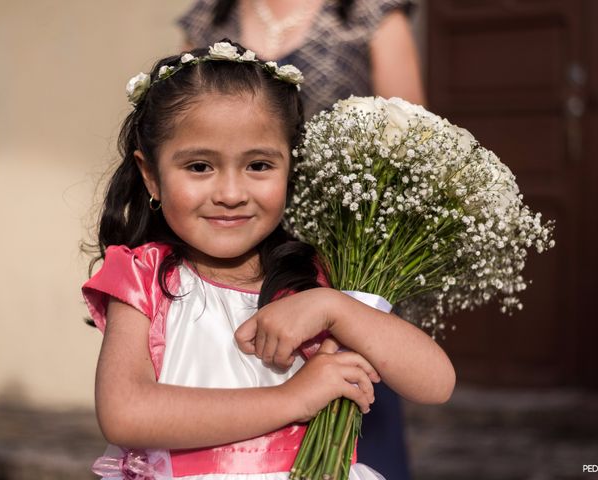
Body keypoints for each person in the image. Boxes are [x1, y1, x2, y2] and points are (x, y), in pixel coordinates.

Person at [82, 40, 454, 480]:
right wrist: (293, 399)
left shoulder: (312, 277)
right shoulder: (143, 276)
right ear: (152, 176)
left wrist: (334, 308)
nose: (231, 194)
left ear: (291, 170)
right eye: (200, 167)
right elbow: (126, 413)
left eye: (259, 166)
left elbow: (435, 383)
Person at [178, 2, 424, 477]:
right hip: (232, 253)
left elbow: (410, 153)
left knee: (358, 413)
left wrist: (346, 294)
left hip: (340, 262)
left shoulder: (369, 15)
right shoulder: (208, 20)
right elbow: (184, 124)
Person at [177, 0, 425, 120]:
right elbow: (180, 112)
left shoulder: (368, 10)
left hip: (339, 209)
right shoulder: (210, 15)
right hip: (234, 202)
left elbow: (408, 128)